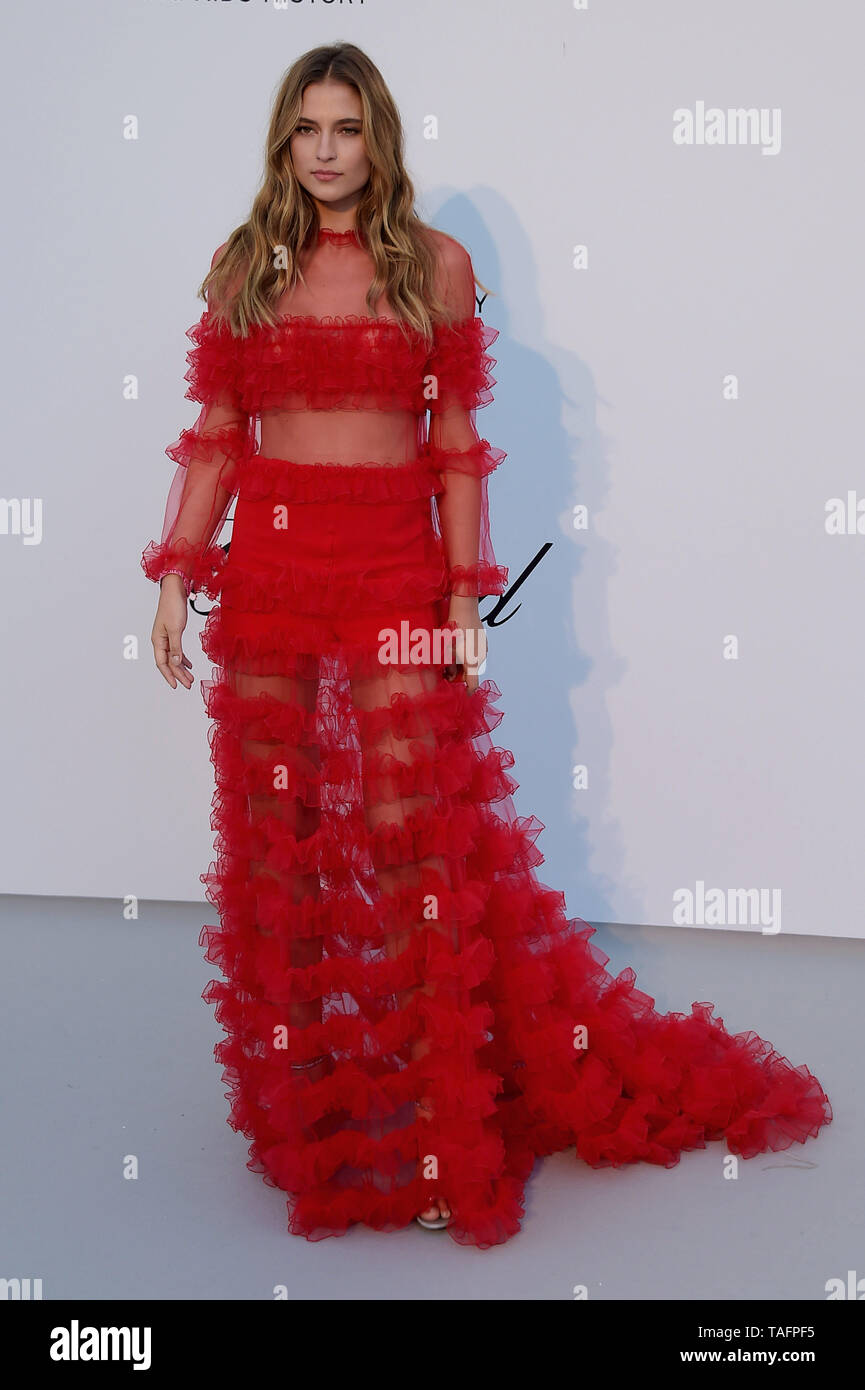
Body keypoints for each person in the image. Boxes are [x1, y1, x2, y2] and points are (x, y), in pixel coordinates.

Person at [141, 42, 832, 1247]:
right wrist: (175, 578)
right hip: (272, 579)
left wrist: (461, 603)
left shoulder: (433, 269)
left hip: (394, 571)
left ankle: (429, 1119)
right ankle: (314, 1112)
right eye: (306, 128)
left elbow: (455, 442)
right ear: (281, 141)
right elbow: (214, 434)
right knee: (279, 840)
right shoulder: (246, 264)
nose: (325, 149)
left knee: (417, 840)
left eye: (346, 128)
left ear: (378, 139)